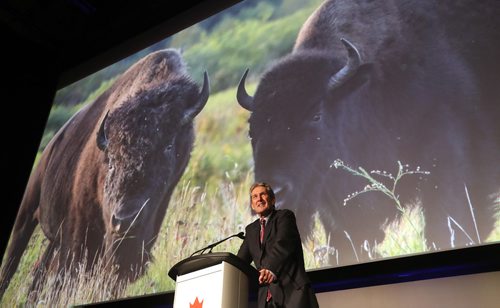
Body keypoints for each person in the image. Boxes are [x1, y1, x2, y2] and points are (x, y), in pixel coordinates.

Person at [237, 182, 319, 308]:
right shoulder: (251, 230)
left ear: (273, 199)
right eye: (254, 196)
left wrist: (269, 268)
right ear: (252, 205)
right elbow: (240, 262)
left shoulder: (284, 217)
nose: (259, 198)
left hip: (292, 293)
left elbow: (283, 244)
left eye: (262, 194)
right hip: (266, 299)